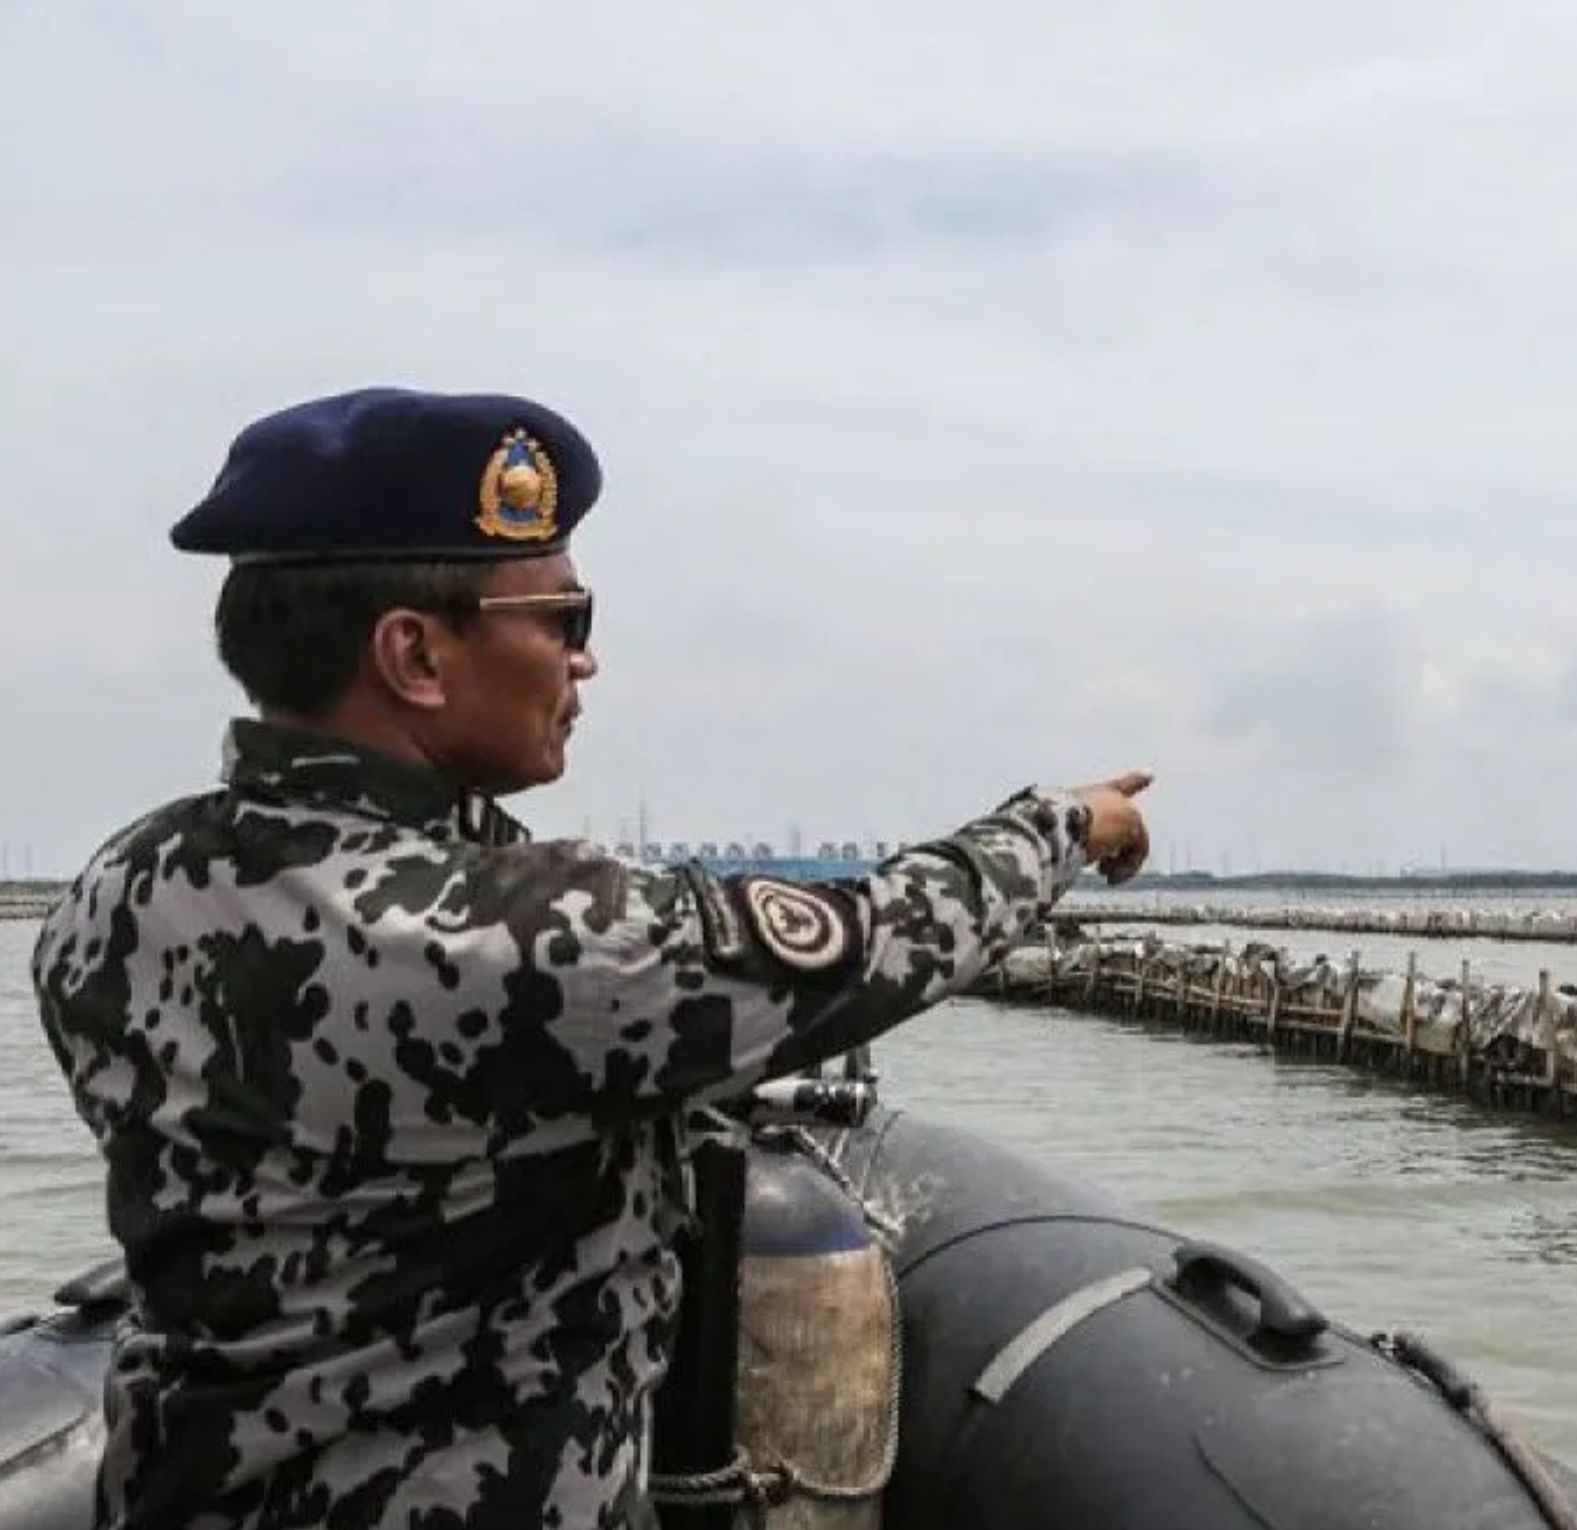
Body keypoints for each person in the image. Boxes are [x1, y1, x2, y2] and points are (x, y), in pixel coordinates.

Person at [30, 386, 1152, 1529]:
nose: (587, 660)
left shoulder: (120, 891)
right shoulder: (521, 936)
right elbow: (877, 940)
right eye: (563, 617)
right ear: (415, 653)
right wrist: (1065, 824)